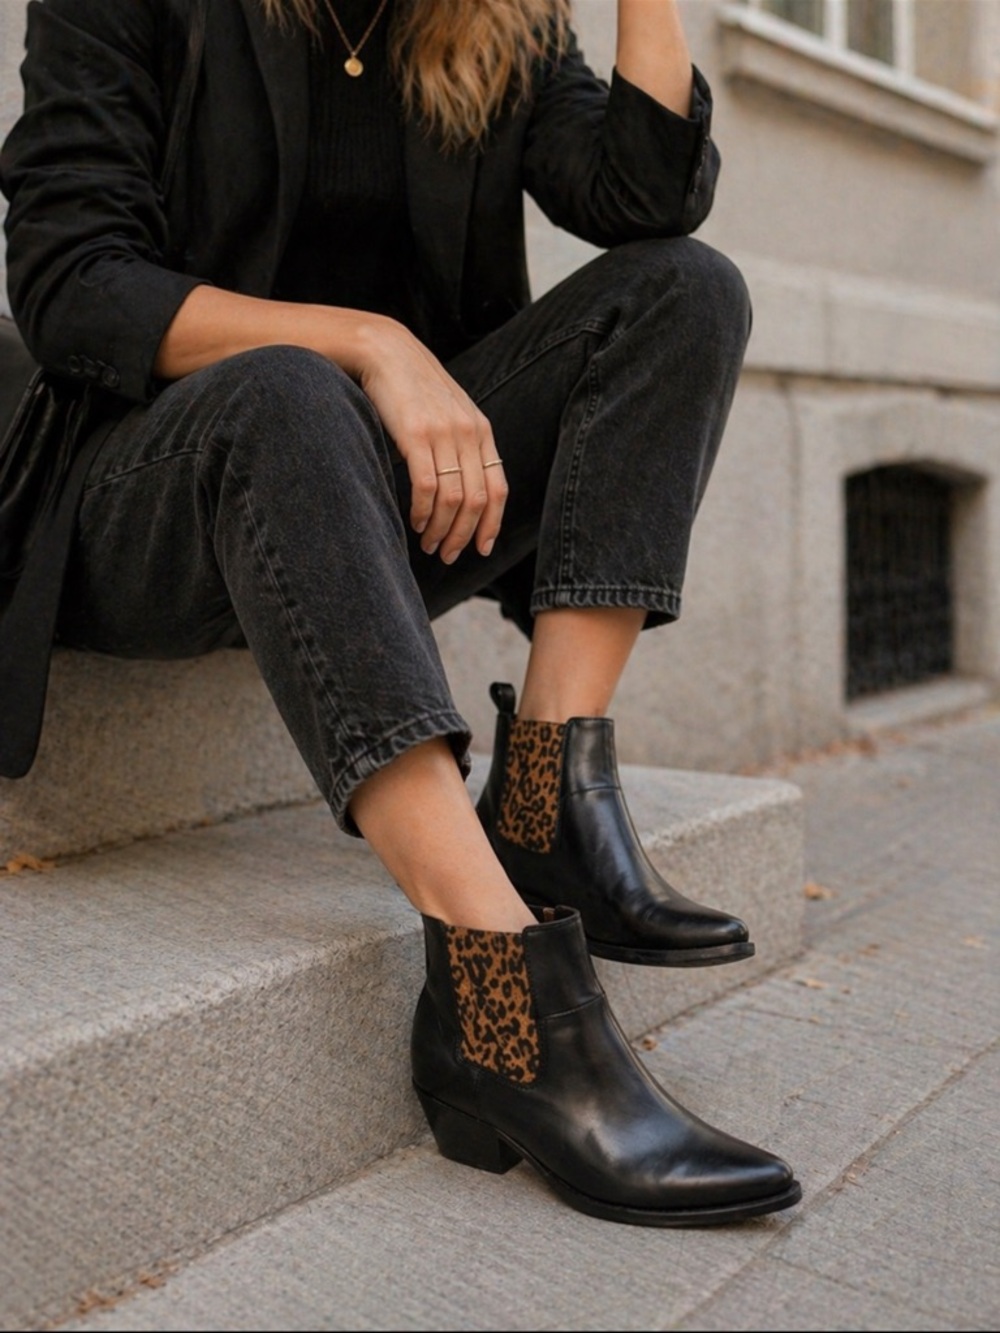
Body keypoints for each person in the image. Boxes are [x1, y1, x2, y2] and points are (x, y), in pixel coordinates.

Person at [0, 0, 801, 1226]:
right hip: (150, 494)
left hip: (382, 504)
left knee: (684, 291)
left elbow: (644, 198)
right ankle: (499, 996)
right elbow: (73, 282)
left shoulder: (497, 21)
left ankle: (546, 803)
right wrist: (366, 342)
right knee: (287, 387)